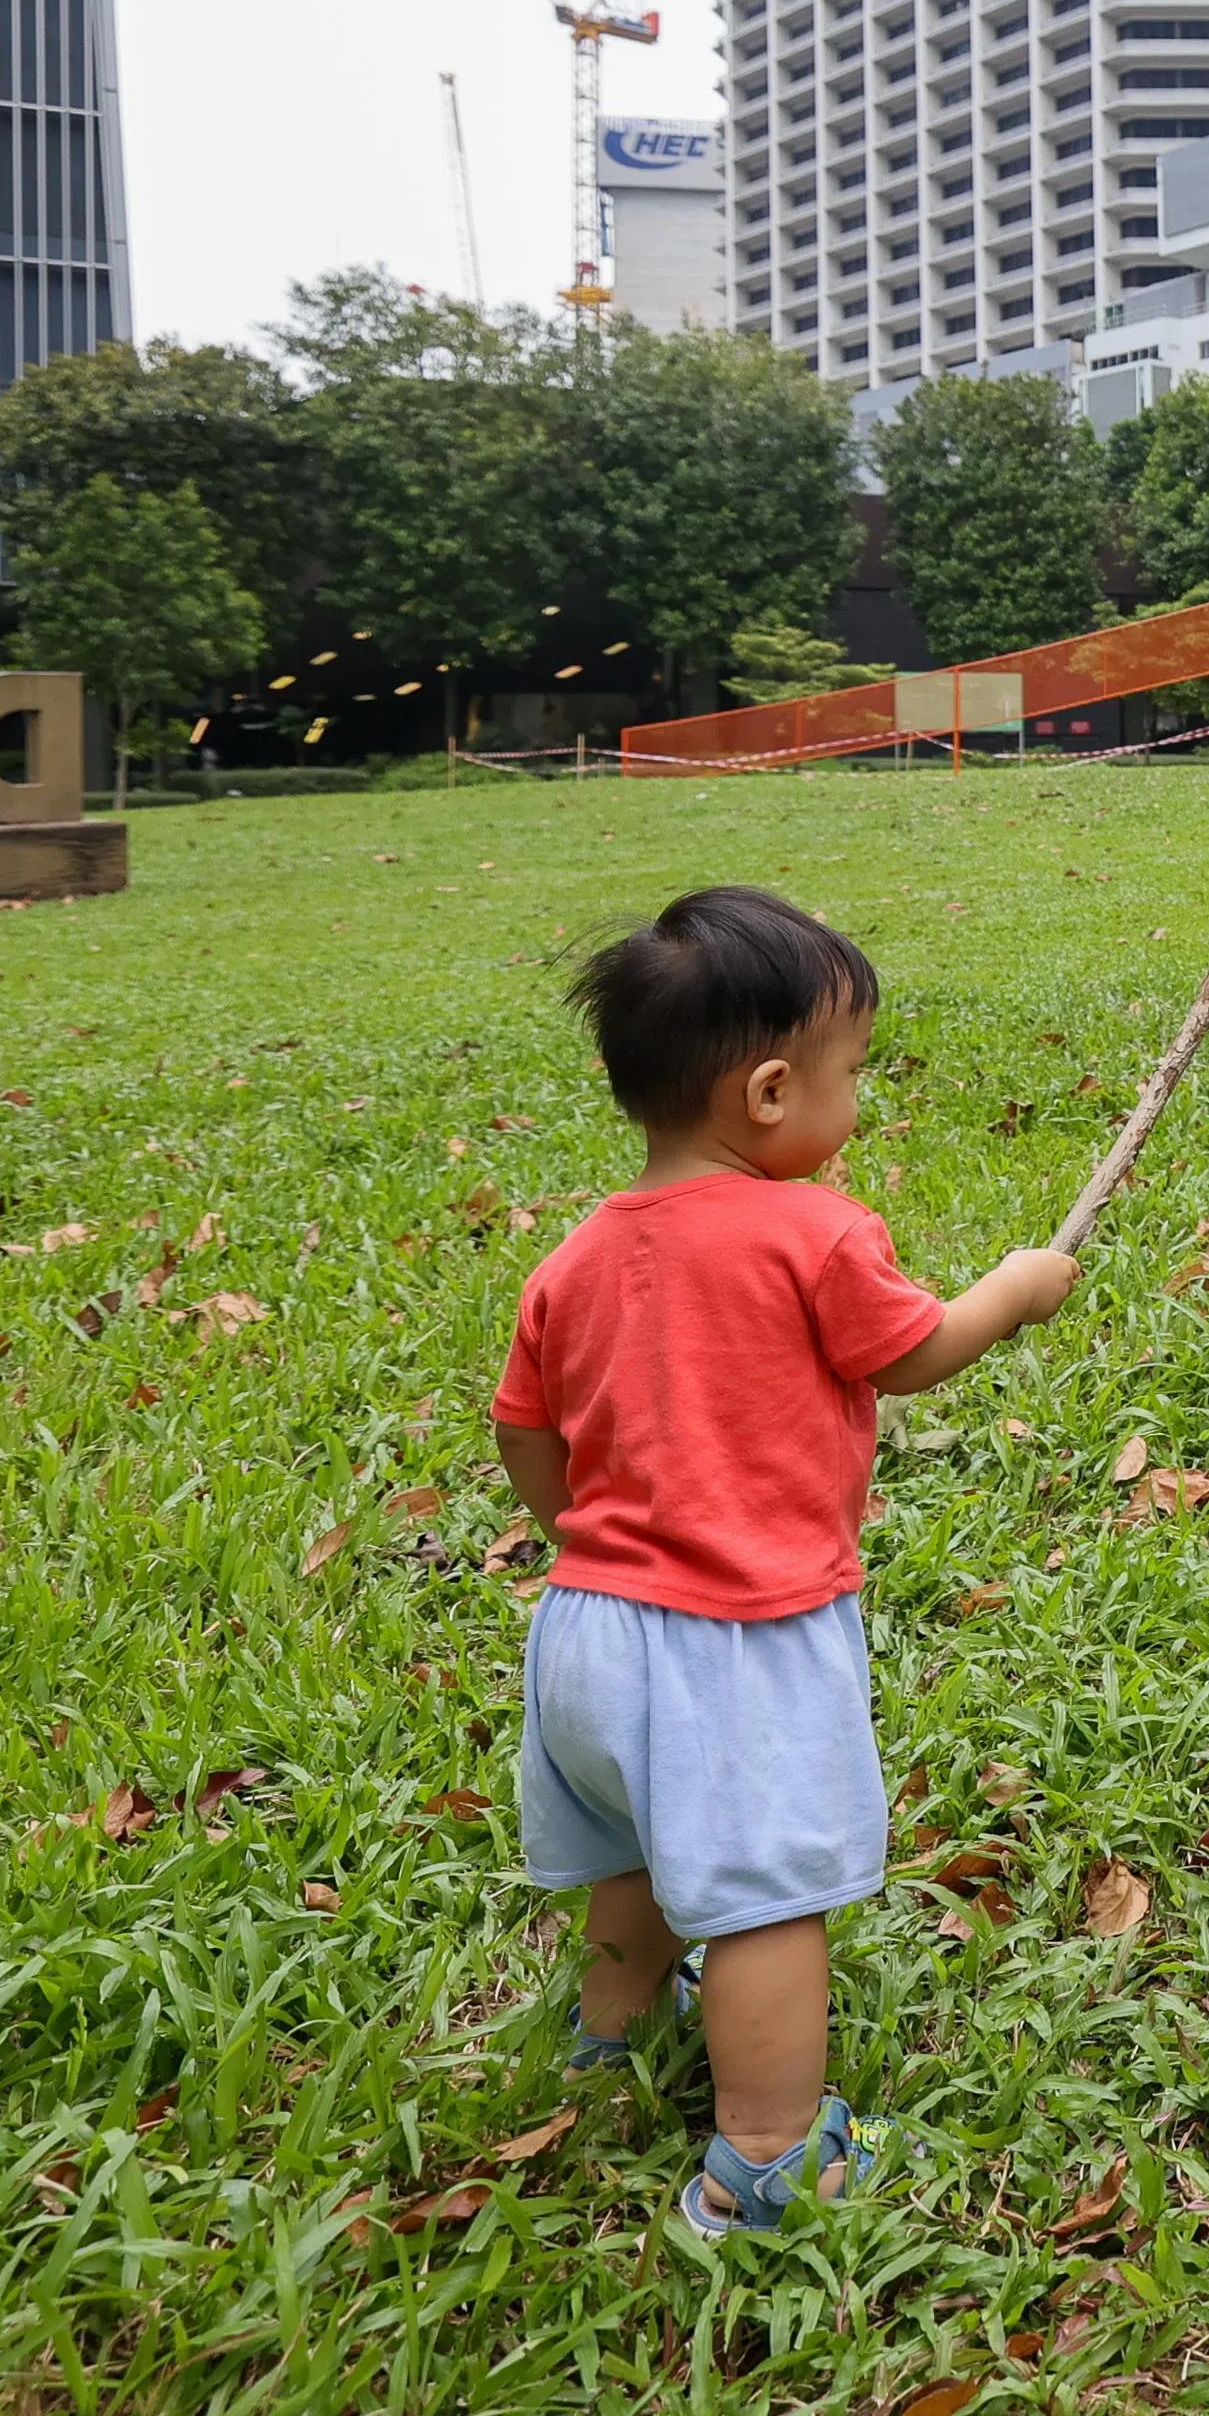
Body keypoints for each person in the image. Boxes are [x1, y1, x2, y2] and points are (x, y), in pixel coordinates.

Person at [490, 885, 1077, 2244]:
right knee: (768, 1898)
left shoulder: (574, 1255)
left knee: (632, 1851)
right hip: (732, 1639)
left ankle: (612, 2029)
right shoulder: (815, 1226)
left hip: (584, 1624)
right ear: (767, 1091)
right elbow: (912, 1350)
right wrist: (1015, 1287)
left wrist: (581, 1528)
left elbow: (525, 1429)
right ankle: (764, 2156)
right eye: (852, 1070)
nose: (856, 1096)